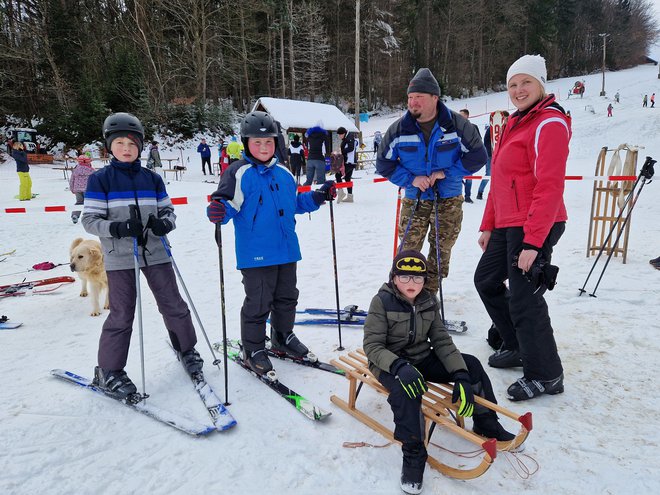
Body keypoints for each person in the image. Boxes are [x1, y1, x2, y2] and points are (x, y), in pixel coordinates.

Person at [363, 250, 514, 495]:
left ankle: (486, 421)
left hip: (422, 357)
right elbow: (372, 346)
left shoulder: (429, 300)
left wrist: (461, 375)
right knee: (407, 390)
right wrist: (399, 366)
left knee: (472, 364)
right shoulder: (381, 302)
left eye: (418, 278)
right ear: (393, 278)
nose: (411, 284)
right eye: (404, 277)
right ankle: (413, 453)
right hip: (389, 363)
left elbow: (441, 340)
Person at [82, 112, 204, 400]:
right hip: (120, 256)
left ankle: (185, 348)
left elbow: (168, 212)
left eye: (133, 144)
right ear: (110, 146)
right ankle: (109, 371)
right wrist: (118, 227)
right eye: (120, 143)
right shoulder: (101, 180)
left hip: (156, 251)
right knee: (122, 313)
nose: (127, 148)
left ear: (140, 147)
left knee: (174, 304)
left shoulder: (153, 178)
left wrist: (166, 223)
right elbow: (90, 220)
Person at [206, 111, 337, 375]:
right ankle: (253, 348)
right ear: (246, 143)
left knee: (287, 297)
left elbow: (295, 204)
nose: (264, 147)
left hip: (287, 249)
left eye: (269, 142)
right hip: (256, 253)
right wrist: (217, 210)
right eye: (257, 142)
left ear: (277, 143)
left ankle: (282, 337)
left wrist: (318, 197)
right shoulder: (238, 173)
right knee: (259, 302)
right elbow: (226, 205)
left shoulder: (284, 173)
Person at [474, 54, 570, 401]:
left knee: (525, 300)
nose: (518, 90)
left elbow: (549, 185)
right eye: (513, 84)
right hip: (508, 223)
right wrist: (488, 225)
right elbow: (500, 179)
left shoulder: (549, 123)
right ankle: (515, 345)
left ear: (541, 85)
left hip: (535, 223)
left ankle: (546, 374)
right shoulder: (515, 122)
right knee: (486, 280)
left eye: (526, 82)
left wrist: (533, 242)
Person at [376, 67, 487, 294]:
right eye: (410, 97)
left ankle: (428, 296)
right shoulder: (399, 129)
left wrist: (447, 173)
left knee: (441, 250)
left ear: (434, 98)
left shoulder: (457, 126)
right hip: (415, 198)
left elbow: (478, 156)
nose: (413, 102)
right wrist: (411, 179)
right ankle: (400, 295)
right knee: (408, 249)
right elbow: (384, 164)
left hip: (448, 199)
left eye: (419, 97)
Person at [477, 111, 509, 201]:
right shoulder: (492, 129)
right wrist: (492, 152)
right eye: (505, 119)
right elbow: (486, 142)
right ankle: (480, 192)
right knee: (489, 174)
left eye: (507, 119)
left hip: (502, 155)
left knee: (503, 175)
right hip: (490, 155)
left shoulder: (507, 128)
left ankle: (502, 194)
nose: (506, 121)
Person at [458, 108, 480, 203]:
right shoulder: (456, 127)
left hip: (469, 156)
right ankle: (458, 196)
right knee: (457, 177)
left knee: (469, 177)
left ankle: (467, 196)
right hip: (458, 156)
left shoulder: (473, 127)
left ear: (467, 116)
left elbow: (478, 140)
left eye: (462, 115)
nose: (460, 117)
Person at [69, 155, 95, 223]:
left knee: (79, 202)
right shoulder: (92, 171)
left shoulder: (76, 170)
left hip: (77, 189)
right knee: (89, 203)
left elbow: (72, 180)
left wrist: (72, 189)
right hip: (88, 189)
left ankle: (75, 215)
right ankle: (90, 217)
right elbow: (95, 181)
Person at [336, 126, 359, 202]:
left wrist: (341, 152)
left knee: (338, 175)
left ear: (344, 133)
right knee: (347, 178)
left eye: (340, 134)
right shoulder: (348, 137)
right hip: (350, 161)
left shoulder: (349, 138)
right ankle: (350, 196)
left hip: (349, 161)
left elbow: (351, 148)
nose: (339, 136)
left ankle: (341, 192)